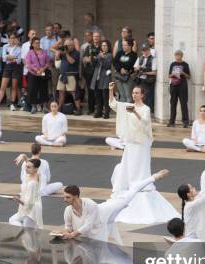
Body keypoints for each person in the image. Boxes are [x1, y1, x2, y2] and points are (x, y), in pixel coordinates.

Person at [108, 84, 179, 224]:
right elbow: (114, 104)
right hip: (131, 141)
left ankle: (141, 184)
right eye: (133, 92)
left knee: (141, 163)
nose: (134, 95)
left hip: (142, 141)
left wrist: (134, 112)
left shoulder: (145, 108)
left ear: (142, 95)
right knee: (130, 162)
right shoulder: (127, 106)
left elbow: (145, 121)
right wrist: (111, 91)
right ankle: (131, 183)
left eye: (137, 93)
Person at [58, 170, 169, 242]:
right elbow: (68, 226)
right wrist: (65, 232)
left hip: (105, 210)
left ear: (76, 196)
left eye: (67, 197)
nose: (64, 200)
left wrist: (72, 234)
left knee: (129, 195)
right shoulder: (68, 210)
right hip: (94, 228)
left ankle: (153, 177)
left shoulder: (90, 204)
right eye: (64, 197)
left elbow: (88, 225)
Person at [9, 158, 43, 228]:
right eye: (26, 167)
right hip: (27, 208)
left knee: (28, 232)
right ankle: (22, 233)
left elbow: (29, 202)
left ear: (36, 169)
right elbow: (25, 192)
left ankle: (22, 232)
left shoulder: (33, 183)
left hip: (32, 210)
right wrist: (24, 156)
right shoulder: (30, 175)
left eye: (29, 167)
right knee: (12, 220)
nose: (26, 169)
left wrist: (18, 200)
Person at [0, 33, 22, 111]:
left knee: (14, 86)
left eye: (14, 38)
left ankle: (12, 104)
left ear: (17, 39)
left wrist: (10, 57)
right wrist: (13, 57)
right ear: (9, 39)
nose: (12, 40)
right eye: (11, 38)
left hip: (16, 67)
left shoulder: (19, 48)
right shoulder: (5, 46)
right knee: (3, 86)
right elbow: (4, 58)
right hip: (7, 67)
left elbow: (19, 60)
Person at [56, 38, 82, 115]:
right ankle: (59, 108)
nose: (67, 47)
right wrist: (59, 51)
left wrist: (66, 53)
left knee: (74, 92)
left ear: (72, 45)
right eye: (65, 45)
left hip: (71, 75)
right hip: (62, 75)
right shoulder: (63, 52)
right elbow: (57, 58)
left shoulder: (76, 53)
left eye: (68, 45)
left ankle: (78, 109)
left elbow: (72, 61)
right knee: (61, 91)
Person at [25, 36, 50, 113]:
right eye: (36, 43)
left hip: (42, 73)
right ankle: (33, 106)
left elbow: (47, 63)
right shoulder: (30, 52)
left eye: (38, 42)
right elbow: (29, 64)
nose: (38, 44)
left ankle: (45, 106)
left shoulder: (44, 51)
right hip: (33, 74)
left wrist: (42, 69)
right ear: (32, 44)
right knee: (33, 90)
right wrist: (36, 70)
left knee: (44, 89)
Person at [167, 50, 191, 127]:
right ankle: (171, 121)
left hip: (182, 85)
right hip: (173, 85)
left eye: (178, 55)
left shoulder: (185, 64)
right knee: (173, 103)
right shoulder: (172, 64)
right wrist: (173, 74)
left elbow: (189, 77)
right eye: (176, 55)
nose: (177, 56)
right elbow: (169, 76)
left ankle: (185, 122)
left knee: (183, 103)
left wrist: (182, 73)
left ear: (181, 56)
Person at [133, 43, 156, 111]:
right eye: (143, 50)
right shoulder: (140, 58)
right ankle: (139, 111)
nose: (145, 52)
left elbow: (154, 72)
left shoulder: (153, 59)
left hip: (148, 81)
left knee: (148, 98)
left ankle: (147, 113)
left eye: (146, 50)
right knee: (139, 97)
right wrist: (137, 68)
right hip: (140, 81)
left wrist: (144, 72)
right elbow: (135, 69)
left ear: (149, 50)